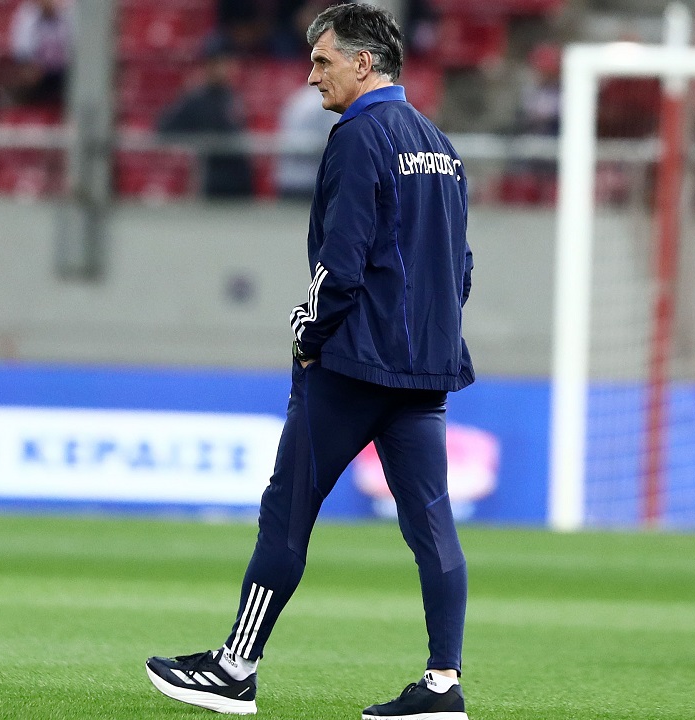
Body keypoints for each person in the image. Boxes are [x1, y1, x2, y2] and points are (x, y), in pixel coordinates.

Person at [145, 4, 474, 719]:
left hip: (353, 365)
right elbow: (461, 268)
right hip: (426, 369)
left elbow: (341, 260)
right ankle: (442, 684)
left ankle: (236, 668)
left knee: (286, 513)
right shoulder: (440, 145)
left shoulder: (358, 136)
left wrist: (308, 330)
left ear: (363, 62)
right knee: (431, 525)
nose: (311, 74)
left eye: (323, 61)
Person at [157, 38, 255, 199]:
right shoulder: (195, 98)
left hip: (239, 180)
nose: (223, 68)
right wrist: (195, 142)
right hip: (212, 182)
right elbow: (164, 129)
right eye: (217, 63)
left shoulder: (233, 96)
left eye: (226, 62)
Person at [8, 0, 74, 107]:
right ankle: (26, 111)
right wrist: (30, 66)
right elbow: (22, 51)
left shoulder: (68, 14)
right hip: (38, 70)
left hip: (64, 71)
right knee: (25, 76)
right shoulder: (27, 15)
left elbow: (74, 49)